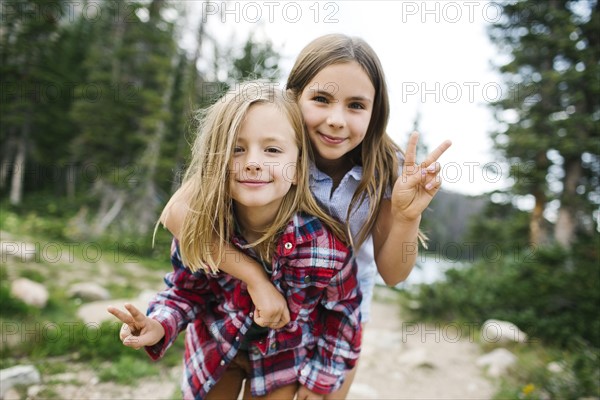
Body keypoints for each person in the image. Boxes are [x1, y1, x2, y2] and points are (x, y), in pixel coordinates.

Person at [160, 33, 452, 399]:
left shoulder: (382, 169)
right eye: (321, 99)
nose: (336, 120)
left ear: (376, 111)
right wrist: (255, 279)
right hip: (256, 305)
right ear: (294, 96)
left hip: (336, 319)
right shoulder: (270, 150)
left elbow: (393, 273)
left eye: (356, 105)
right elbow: (177, 214)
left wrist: (408, 217)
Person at [108, 81, 362, 400]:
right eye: (237, 149)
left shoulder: (325, 248)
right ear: (216, 162)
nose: (253, 162)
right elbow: (186, 291)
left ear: (298, 169)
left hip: (282, 360)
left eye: (272, 149)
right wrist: (159, 324)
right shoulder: (203, 227)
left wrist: (320, 378)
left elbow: (342, 316)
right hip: (216, 351)